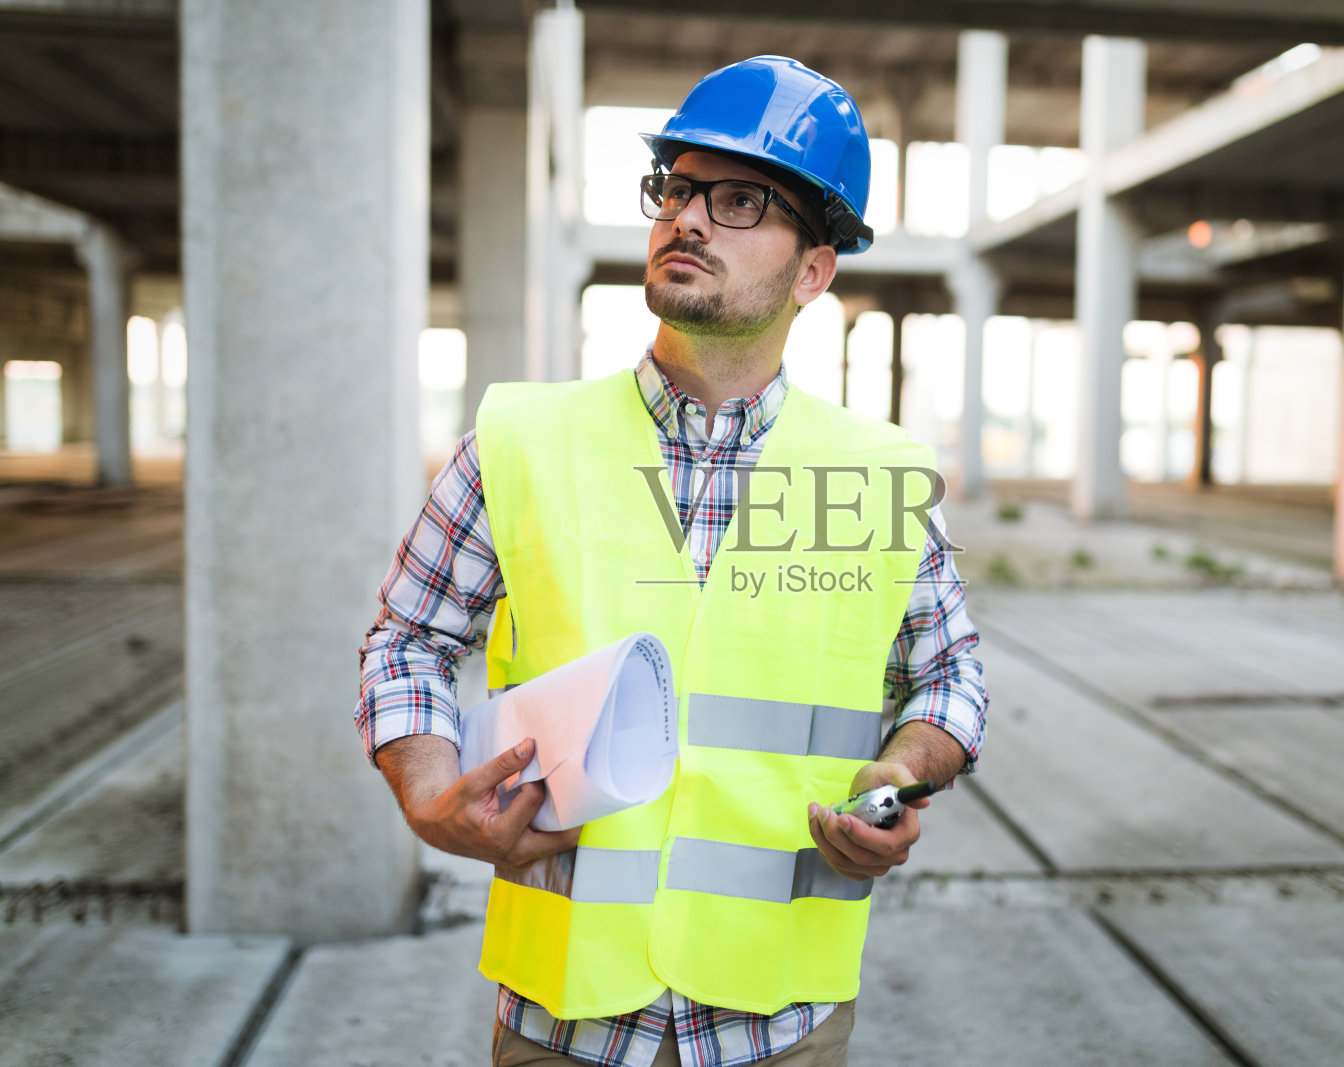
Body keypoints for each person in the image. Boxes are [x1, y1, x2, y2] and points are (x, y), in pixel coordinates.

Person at [358, 56, 986, 1067]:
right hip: (564, 1017)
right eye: (677, 189)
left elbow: (950, 677)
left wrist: (899, 776)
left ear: (812, 271)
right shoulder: (520, 442)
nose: (688, 218)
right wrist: (430, 793)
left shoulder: (879, 476)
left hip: (777, 1020)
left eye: (740, 201)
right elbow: (408, 639)